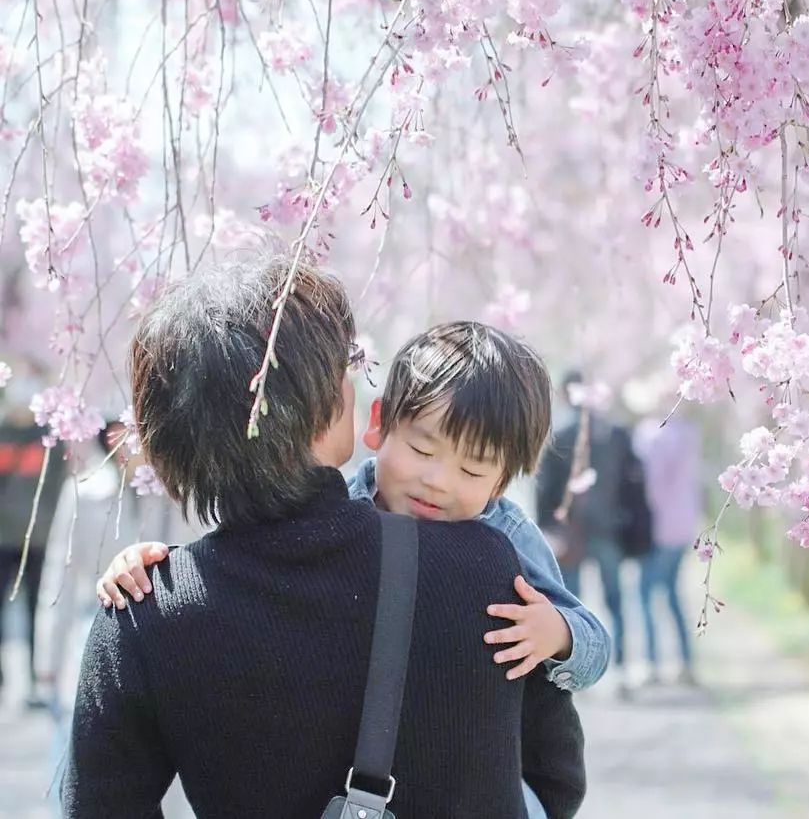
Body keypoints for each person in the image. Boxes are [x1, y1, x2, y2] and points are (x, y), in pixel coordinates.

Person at [65, 257, 586, 818]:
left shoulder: (142, 611)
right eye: (345, 366)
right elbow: (555, 776)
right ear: (329, 406)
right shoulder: (481, 565)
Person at [536, 371, 639, 680]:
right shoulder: (613, 433)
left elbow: (545, 488)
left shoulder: (561, 435)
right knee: (614, 600)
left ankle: (571, 669)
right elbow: (631, 482)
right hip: (608, 527)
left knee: (571, 605)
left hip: (572, 531)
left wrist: (547, 527)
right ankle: (620, 666)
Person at [0, 389, 66, 705]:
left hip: (38, 539)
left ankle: (35, 677)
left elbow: (57, 486)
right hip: (2, 538)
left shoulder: (48, 437)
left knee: (35, 609)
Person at [633, 412, 703, 686]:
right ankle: (686, 662)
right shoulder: (689, 435)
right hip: (684, 526)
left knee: (645, 595)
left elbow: (652, 487)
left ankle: (652, 664)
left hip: (659, 528)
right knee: (673, 594)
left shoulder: (651, 435)